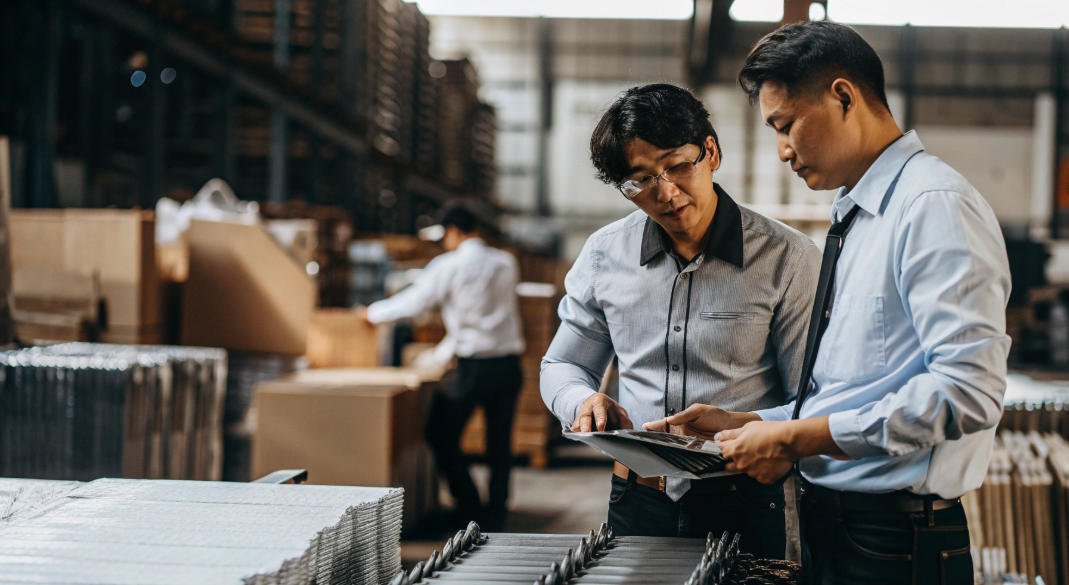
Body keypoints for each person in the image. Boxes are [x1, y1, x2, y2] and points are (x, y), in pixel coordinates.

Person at [647, 22, 1011, 584]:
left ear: (843, 96)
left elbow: (967, 392)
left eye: (786, 125)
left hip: (895, 545)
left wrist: (794, 439)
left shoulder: (932, 207)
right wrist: (755, 422)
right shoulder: (859, 215)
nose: (782, 151)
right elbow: (855, 389)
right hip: (844, 531)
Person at [540, 83, 821, 558]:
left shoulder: (787, 259)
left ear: (711, 152)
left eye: (677, 166)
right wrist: (580, 400)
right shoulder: (605, 255)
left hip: (745, 498)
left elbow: (812, 399)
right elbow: (562, 365)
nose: (666, 193)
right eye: (641, 180)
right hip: (637, 498)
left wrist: (747, 425)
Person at [358, 201, 525, 529]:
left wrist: (372, 313)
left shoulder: (449, 265)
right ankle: (497, 513)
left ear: (453, 231)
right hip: (508, 366)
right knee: (499, 444)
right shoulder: (506, 263)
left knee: (440, 433)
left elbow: (415, 302)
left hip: (473, 368)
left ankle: (470, 507)